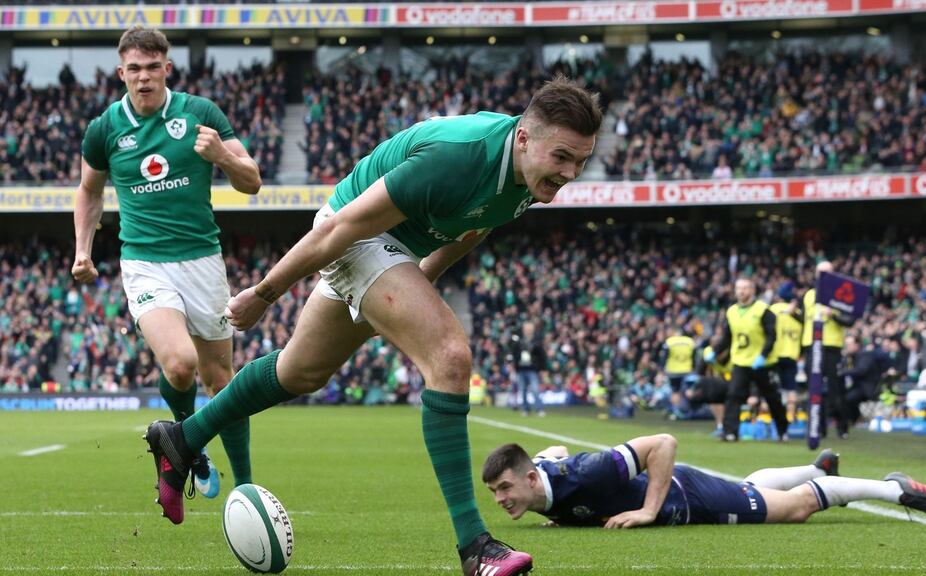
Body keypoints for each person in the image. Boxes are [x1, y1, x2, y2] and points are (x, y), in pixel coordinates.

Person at [143, 76, 603, 576]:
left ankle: (183, 438)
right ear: (523, 138)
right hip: (355, 236)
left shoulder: (530, 178)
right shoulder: (457, 157)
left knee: (299, 372)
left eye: (580, 161)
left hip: (397, 249)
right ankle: (476, 548)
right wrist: (264, 293)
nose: (570, 173)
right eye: (562, 157)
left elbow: (476, 223)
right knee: (450, 358)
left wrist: (424, 277)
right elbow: (337, 229)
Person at [73, 26, 261, 508]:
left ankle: (246, 488)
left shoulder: (200, 115)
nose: (143, 78)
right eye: (133, 69)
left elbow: (252, 181)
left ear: (166, 69)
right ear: (121, 73)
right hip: (145, 262)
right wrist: (83, 250)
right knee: (180, 365)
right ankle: (189, 446)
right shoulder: (105, 129)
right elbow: (89, 190)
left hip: (203, 261)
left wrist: (221, 155)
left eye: (152, 68)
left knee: (223, 381)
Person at [482, 434, 926, 529]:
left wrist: (648, 509)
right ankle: (818, 471)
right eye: (494, 493)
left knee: (796, 509)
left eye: (505, 488)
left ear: (527, 478)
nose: (501, 499)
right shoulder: (544, 480)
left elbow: (662, 443)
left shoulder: (588, 472)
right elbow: (554, 454)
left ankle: (896, 488)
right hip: (690, 496)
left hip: (690, 497)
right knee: (754, 488)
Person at [707, 278, 788, 442]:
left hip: (763, 363)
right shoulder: (732, 311)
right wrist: (715, 352)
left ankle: (782, 430)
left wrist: (763, 355)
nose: (741, 291)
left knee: (772, 398)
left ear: (752, 290)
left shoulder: (763, 310)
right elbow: (728, 337)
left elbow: (772, 336)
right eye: (739, 288)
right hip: (741, 361)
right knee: (733, 395)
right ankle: (730, 432)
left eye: (745, 288)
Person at [801, 260, 855, 438]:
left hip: (831, 346)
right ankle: (817, 428)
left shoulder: (841, 294)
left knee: (835, 389)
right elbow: (804, 321)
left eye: (827, 272)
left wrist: (833, 315)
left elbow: (850, 320)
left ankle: (842, 427)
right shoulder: (809, 295)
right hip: (811, 345)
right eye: (819, 272)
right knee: (813, 388)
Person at [768, 281, 803, 421]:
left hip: (775, 355)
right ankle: (790, 418)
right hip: (792, 355)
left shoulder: (774, 309)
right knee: (791, 388)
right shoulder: (798, 313)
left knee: (771, 388)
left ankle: (769, 418)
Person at [511, 320, 547, 417]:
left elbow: (542, 356)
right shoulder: (519, 340)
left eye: (529, 329)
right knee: (522, 391)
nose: (528, 330)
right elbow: (514, 354)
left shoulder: (537, 341)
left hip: (532, 369)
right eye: (526, 329)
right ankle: (526, 409)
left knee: (535, 390)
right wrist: (515, 365)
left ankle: (539, 409)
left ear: (533, 329)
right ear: (523, 329)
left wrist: (543, 369)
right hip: (521, 369)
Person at [662, 327, 696, 420]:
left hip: (673, 371)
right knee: (686, 391)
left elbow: (664, 356)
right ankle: (686, 411)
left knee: (675, 392)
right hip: (687, 370)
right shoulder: (690, 341)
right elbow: (694, 356)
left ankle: (676, 412)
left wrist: (662, 368)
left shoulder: (670, 342)